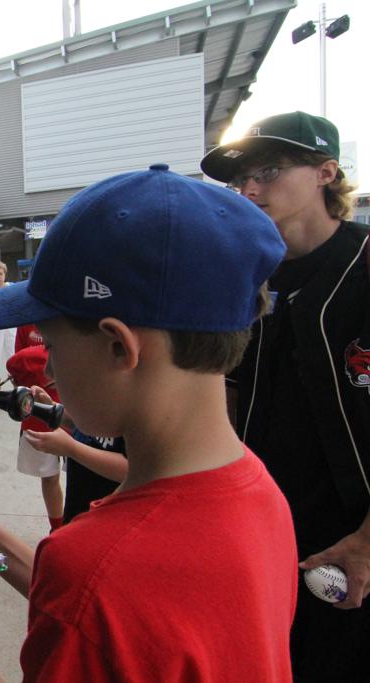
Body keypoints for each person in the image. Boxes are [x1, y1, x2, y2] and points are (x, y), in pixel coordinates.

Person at [0, 165, 296, 680]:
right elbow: (98, 604)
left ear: (119, 347)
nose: (48, 367)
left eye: (50, 343)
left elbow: (92, 589)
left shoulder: (96, 569)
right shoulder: (262, 494)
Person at [201, 110, 370, 681]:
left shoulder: (364, 264)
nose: (249, 189)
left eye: (269, 170)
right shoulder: (243, 279)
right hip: (265, 535)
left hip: (354, 545)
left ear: (326, 172)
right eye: (239, 178)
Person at [23, 385, 126, 524]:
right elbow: (82, 425)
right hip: (77, 508)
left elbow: (131, 468)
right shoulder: (101, 394)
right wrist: (51, 408)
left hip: (105, 520)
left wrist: (71, 448)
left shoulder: (133, 407)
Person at [4, 345, 64, 532]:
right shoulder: (29, 351)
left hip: (69, 417)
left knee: (74, 477)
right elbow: (16, 365)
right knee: (50, 477)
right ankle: (58, 527)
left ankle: (63, 527)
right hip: (42, 420)